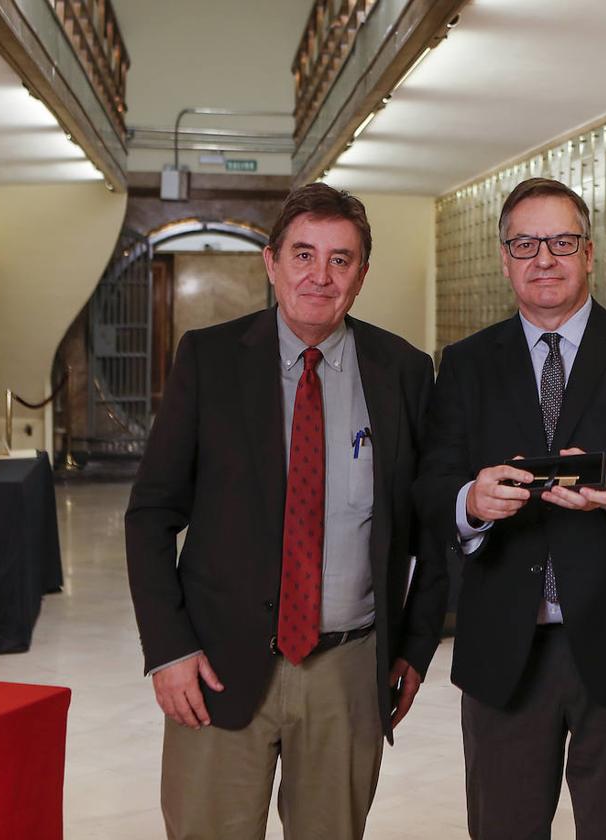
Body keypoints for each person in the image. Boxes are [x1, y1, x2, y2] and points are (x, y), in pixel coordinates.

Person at [125, 183, 447, 839]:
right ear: (271, 263)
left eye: (340, 259)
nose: (319, 277)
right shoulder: (209, 360)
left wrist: (414, 647)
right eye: (303, 255)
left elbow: (432, 529)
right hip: (216, 665)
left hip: (349, 673)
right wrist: (168, 649)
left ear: (361, 273)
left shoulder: (404, 372)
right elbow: (150, 514)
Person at [414, 177, 606, 839]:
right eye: (525, 244)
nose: (543, 258)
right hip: (505, 650)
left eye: (561, 241)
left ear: (590, 253)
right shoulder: (465, 363)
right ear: (504, 257)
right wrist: (471, 500)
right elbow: (431, 485)